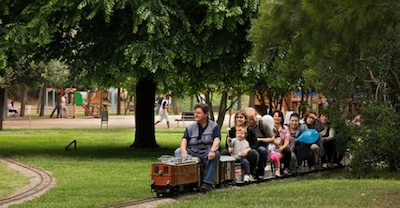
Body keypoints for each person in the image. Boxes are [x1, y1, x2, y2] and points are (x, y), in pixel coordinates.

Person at [174, 103, 221, 192]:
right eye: (195, 113)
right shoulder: (190, 127)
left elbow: (217, 140)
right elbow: (184, 140)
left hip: (206, 151)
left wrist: (212, 150)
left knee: (216, 154)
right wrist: (184, 151)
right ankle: (184, 182)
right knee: (178, 152)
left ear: (206, 114)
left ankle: (207, 183)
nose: (196, 115)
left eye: (198, 113)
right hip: (193, 151)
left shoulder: (214, 126)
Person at [222, 110, 259, 181]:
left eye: (241, 117)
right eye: (237, 117)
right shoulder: (231, 131)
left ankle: (250, 173)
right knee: (224, 152)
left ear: (245, 119)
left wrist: (247, 150)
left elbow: (254, 144)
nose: (239, 119)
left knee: (254, 153)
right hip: (234, 152)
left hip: (245, 153)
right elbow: (228, 143)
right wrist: (229, 148)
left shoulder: (250, 130)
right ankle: (225, 175)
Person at [245, 107, 275, 179]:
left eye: (253, 118)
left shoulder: (262, 125)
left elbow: (272, 138)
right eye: (249, 119)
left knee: (262, 150)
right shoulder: (245, 126)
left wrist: (260, 139)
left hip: (260, 145)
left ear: (256, 115)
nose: (251, 121)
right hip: (248, 146)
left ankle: (260, 172)